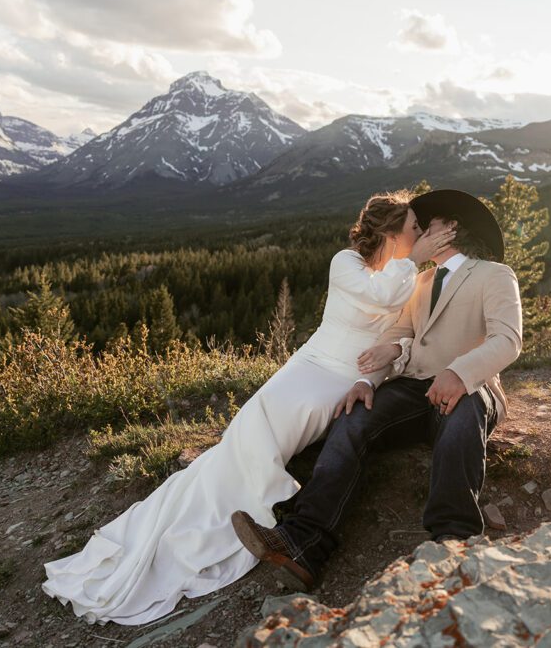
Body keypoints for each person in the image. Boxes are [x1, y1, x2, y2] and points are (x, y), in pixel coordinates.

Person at [41, 190, 456, 625]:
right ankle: (211, 509)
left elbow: (398, 337)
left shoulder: (409, 278)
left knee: (275, 440)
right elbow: (379, 296)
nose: (420, 234)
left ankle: (257, 516)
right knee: (248, 427)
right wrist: (417, 258)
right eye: (413, 228)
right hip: (309, 366)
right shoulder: (347, 263)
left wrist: (367, 377)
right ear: (391, 232)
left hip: (337, 381)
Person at [231, 188, 523, 591]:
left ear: (451, 228)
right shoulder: (420, 280)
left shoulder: (493, 274)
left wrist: (459, 373)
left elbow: (508, 340)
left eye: (428, 224)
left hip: (471, 389)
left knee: (459, 424)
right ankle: (303, 542)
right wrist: (367, 380)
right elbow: (400, 334)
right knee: (353, 420)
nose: (417, 232)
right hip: (412, 390)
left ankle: (454, 543)